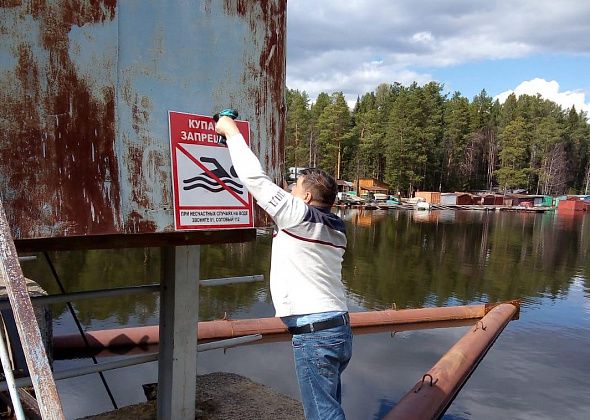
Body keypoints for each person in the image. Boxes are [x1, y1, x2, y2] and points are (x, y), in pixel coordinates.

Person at [216, 116, 352, 419]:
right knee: (330, 407)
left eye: (294, 186)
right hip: (339, 328)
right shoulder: (337, 227)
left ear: (305, 197)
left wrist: (231, 132)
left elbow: (255, 180)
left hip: (315, 334)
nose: (288, 190)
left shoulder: (298, 215)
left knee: (322, 415)